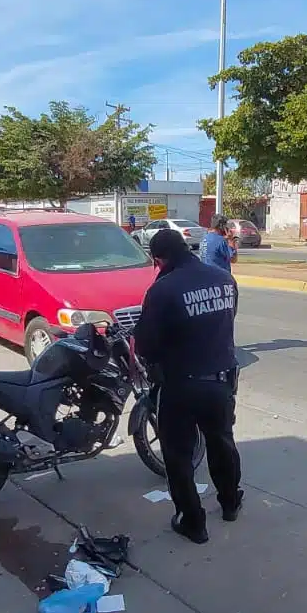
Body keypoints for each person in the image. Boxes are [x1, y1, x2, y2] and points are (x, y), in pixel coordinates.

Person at [132, 228, 243, 544]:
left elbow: (146, 346)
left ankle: (193, 522)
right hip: (222, 380)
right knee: (222, 442)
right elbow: (227, 319)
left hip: (181, 385)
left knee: (178, 456)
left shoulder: (163, 289)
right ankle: (230, 502)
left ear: (159, 259)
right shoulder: (224, 279)